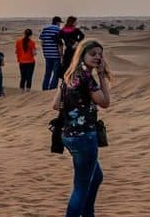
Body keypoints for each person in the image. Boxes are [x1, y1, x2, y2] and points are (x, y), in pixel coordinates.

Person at [52, 39, 112, 217]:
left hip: (69, 135)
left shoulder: (70, 75)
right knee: (81, 187)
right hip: (84, 137)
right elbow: (105, 103)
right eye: (93, 54)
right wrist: (101, 77)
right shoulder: (86, 78)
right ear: (82, 55)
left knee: (96, 177)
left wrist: (76, 106)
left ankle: (88, 214)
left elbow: (56, 104)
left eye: (100, 54)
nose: (98, 58)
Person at [58, 16, 86, 81]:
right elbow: (82, 36)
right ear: (72, 22)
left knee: (67, 65)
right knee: (74, 64)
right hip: (74, 50)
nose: (76, 23)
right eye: (76, 21)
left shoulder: (63, 30)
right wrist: (77, 43)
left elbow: (59, 40)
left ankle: (68, 79)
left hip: (68, 50)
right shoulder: (75, 30)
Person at [41, 16, 64, 90]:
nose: (60, 24)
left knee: (47, 73)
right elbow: (59, 44)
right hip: (56, 55)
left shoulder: (45, 29)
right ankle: (52, 88)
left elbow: (42, 42)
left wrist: (44, 52)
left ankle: (45, 87)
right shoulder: (58, 30)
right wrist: (61, 56)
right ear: (57, 22)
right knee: (55, 73)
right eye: (60, 23)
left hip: (47, 54)